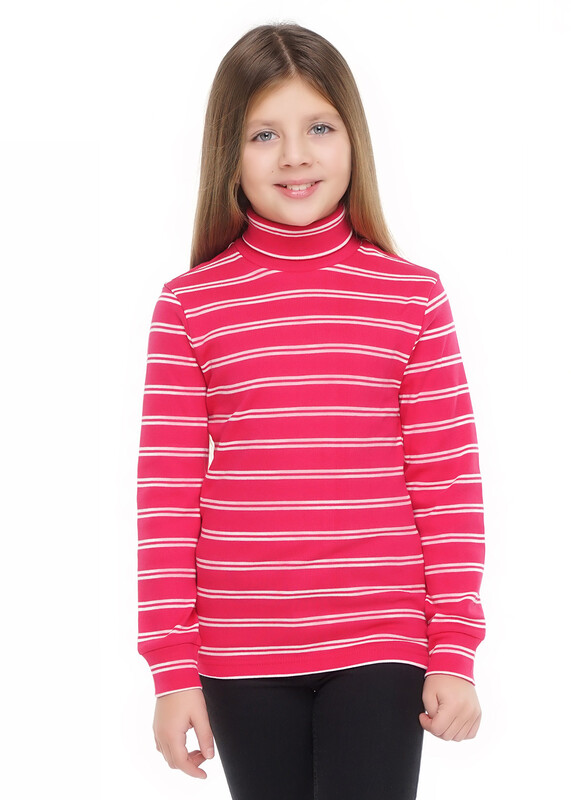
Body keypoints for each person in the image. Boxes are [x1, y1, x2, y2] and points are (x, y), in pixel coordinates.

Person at [137, 22, 485, 800]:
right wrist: (172, 668)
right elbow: (166, 497)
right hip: (240, 650)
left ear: (352, 138)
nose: (295, 155)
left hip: (380, 639)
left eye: (319, 128)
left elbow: (446, 484)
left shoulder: (412, 297)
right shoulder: (189, 306)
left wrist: (453, 650)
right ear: (228, 153)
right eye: (264, 134)